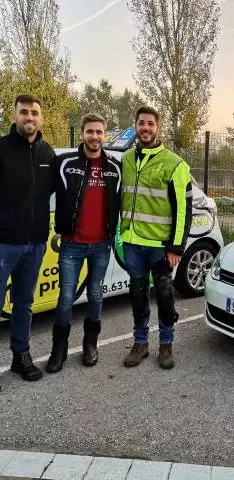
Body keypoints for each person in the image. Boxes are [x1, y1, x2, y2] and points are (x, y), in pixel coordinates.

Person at [46, 114, 121, 373]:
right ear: (82, 134)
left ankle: (91, 344)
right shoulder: (65, 163)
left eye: (99, 132)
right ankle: (59, 348)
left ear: (105, 134)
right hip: (71, 245)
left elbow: (120, 202)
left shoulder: (114, 167)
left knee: (96, 295)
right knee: (66, 298)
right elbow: (41, 192)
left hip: (101, 245)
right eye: (90, 131)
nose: (95, 137)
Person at [121, 106, 192, 369]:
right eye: (141, 123)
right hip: (132, 243)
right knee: (137, 293)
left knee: (164, 294)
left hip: (161, 248)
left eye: (150, 124)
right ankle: (140, 344)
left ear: (157, 128)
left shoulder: (174, 163)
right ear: (136, 126)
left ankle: (166, 345)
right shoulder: (126, 159)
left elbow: (183, 210)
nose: (146, 128)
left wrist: (177, 247)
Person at [0, 94, 55, 381]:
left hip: (35, 245)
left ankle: (21, 357)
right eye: (24, 112)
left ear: (40, 118)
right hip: (4, 245)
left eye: (34, 113)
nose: (29, 117)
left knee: (24, 304)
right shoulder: (2, 149)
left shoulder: (48, 153)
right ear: (14, 116)